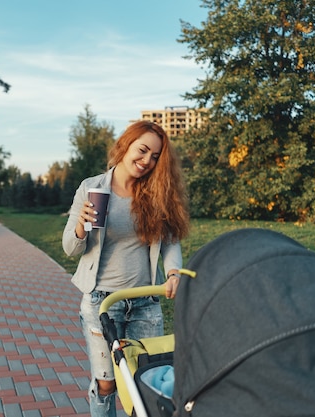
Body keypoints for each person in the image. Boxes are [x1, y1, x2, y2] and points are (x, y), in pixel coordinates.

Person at [62, 120, 189, 417]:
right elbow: (71, 248)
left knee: (146, 380)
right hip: (101, 302)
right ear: (125, 146)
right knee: (107, 385)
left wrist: (173, 272)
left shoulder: (156, 193)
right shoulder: (91, 188)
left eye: (155, 156)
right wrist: (81, 226)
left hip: (145, 302)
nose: (147, 161)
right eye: (142, 150)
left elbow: (170, 243)